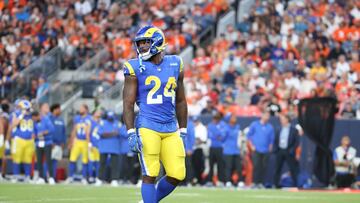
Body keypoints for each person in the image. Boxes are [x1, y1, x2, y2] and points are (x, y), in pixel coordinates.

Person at [122, 25, 188, 203]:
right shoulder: (134, 67)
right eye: (140, 43)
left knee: (177, 173)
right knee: (150, 173)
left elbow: (181, 100)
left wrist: (183, 129)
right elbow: (128, 104)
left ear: (158, 42)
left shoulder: (175, 63)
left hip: (170, 127)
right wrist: (130, 132)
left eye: (146, 42)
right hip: (147, 125)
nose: (142, 46)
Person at [247, 111, 274, 188]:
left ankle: (261, 183)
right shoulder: (254, 124)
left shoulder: (270, 127)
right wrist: (251, 145)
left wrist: (270, 147)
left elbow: (271, 139)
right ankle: (254, 182)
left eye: (268, 116)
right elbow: (249, 136)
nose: (267, 117)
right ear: (262, 115)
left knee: (264, 167)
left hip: (265, 150)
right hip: (256, 149)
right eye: (266, 115)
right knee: (256, 166)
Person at [10, 100, 35, 183]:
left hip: (29, 140)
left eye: (28, 108)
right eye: (26, 109)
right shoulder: (16, 114)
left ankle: (27, 176)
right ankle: (15, 175)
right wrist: (21, 115)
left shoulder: (32, 115)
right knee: (17, 158)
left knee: (28, 159)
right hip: (19, 139)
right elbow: (13, 124)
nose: (28, 110)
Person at [67, 104, 91, 184]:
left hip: (85, 141)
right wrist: (71, 142)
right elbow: (74, 130)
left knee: (85, 160)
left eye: (82, 108)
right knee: (72, 159)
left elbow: (89, 132)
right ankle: (70, 176)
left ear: (86, 110)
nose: (80, 109)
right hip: (77, 141)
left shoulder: (89, 118)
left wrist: (89, 142)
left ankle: (84, 177)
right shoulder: (77, 118)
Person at [273, 114, 300, 188]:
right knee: (277, 168)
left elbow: (296, 142)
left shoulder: (293, 129)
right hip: (280, 150)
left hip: (289, 151)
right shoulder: (278, 129)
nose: (281, 121)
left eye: (283, 119)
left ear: (287, 119)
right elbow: (276, 140)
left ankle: (295, 185)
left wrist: (292, 150)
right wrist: (276, 149)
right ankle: (276, 185)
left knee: (292, 168)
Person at [96, 111, 121, 187]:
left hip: (114, 147)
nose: (110, 119)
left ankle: (114, 180)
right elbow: (101, 134)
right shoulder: (102, 122)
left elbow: (120, 133)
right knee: (102, 163)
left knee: (115, 165)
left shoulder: (118, 123)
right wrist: (113, 133)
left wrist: (108, 134)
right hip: (104, 147)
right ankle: (100, 179)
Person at [32, 109, 55, 184]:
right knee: (39, 161)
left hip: (47, 142)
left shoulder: (46, 120)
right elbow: (34, 132)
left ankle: (51, 177)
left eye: (35, 118)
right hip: (38, 143)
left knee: (48, 160)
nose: (34, 120)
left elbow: (51, 129)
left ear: (38, 116)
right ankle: (41, 177)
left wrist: (42, 133)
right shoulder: (35, 122)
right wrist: (34, 136)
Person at [206, 112, 226, 186]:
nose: (215, 120)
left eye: (217, 118)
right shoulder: (210, 125)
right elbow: (210, 135)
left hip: (220, 147)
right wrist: (217, 135)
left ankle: (220, 180)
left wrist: (216, 135)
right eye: (214, 118)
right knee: (211, 165)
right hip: (212, 147)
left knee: (220, 165)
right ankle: (210, 181)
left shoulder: (222, 125)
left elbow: (222, 136)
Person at [223, 114, 243, 188]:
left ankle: (240, 181)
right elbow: (223, 138)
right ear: (229, 119)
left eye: (235, 117)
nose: (235, 119)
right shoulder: (226, 128)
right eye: (233, 117)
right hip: (228, 150)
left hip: (236, 150)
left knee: (239, 167)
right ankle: (228, 181)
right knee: (228, 167)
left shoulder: (238, 127)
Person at [49, 104, 66, 182]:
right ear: (54, 109)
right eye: (58, 109)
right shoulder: (49, 119)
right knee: (48, 160)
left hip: (59, 144)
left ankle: (53, 177)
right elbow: (48, 131)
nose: (60, 111)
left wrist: (63, 142)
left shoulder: (61, 120)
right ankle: (47, 177)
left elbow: (63, 132)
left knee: (55, 161)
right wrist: (50, 141)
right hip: (51, 143)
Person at [192, 116, 207, 185]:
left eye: (196, 121)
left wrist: (196, 140)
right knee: (193, 165)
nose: (195, 123)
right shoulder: (192, 127)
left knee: (200, 166)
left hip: (199, 148)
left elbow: (203, 139)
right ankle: (194, 179)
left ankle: (200, 180)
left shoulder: (202, 128)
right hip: (192, 148)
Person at [88, 110, 102, 184]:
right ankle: (90, 177)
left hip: (99, 145)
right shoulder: (90, 122)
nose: (99, 113)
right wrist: (89, 142)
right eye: (97, 112)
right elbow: (88, 133)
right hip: (92, 144)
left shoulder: (101, 122)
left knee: (98, 162)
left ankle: (97, 177)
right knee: (91, 162)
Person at [184, 117, 195, 185]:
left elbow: (192, 137)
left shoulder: (190, 124)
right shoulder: (175, 122)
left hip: (186, 148)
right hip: (178, 148)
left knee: (188, 165)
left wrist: (189, 148)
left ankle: (189, 181)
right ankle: (181, 182)